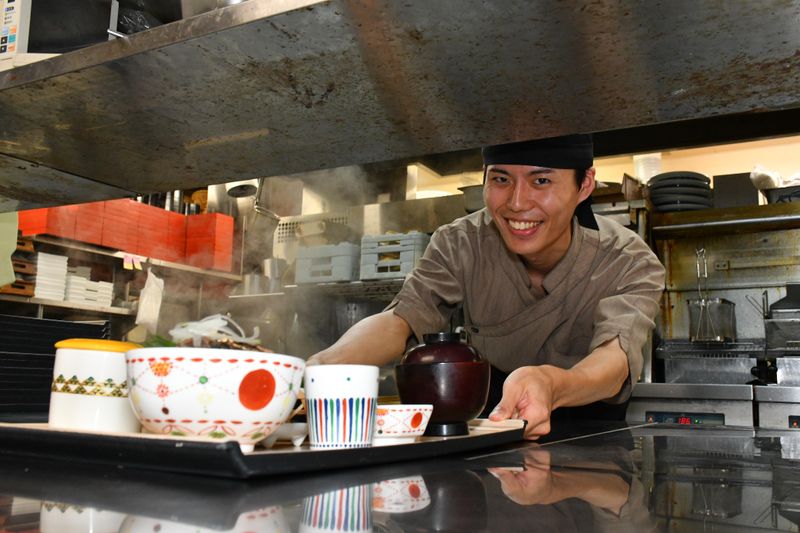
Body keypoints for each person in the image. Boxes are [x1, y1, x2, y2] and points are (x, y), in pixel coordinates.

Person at [308, 134, 665, 439]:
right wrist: (321, 366)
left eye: (541, 181)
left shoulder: (627, 259)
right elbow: (402, 319)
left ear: (584, 185)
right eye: (501, 180)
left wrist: (551, 384)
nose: (517, 203)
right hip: (492, 431)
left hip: (593, 442)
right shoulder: (460, 243)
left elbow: (615, 360)